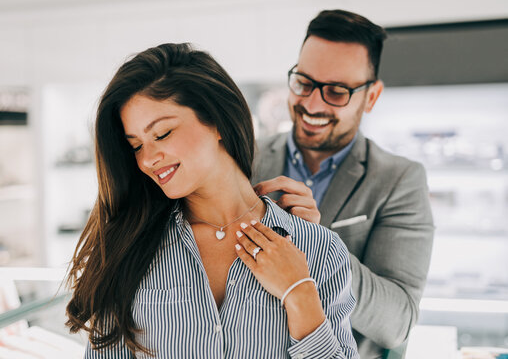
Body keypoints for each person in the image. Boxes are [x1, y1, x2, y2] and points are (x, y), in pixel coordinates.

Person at [65, 43, 358, 358]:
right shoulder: (127, 249)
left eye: (161, 134)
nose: (148, 158)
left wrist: (299, 293)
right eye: (135, 145)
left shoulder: (318, 249)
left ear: (216, 119)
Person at [252, 9, 435, 359]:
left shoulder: (400, 180)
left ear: (372, 97)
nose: (311, 104)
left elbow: (396, 323)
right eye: (304, 83)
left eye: (336, 91)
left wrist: (316, 241)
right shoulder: (247, 160)